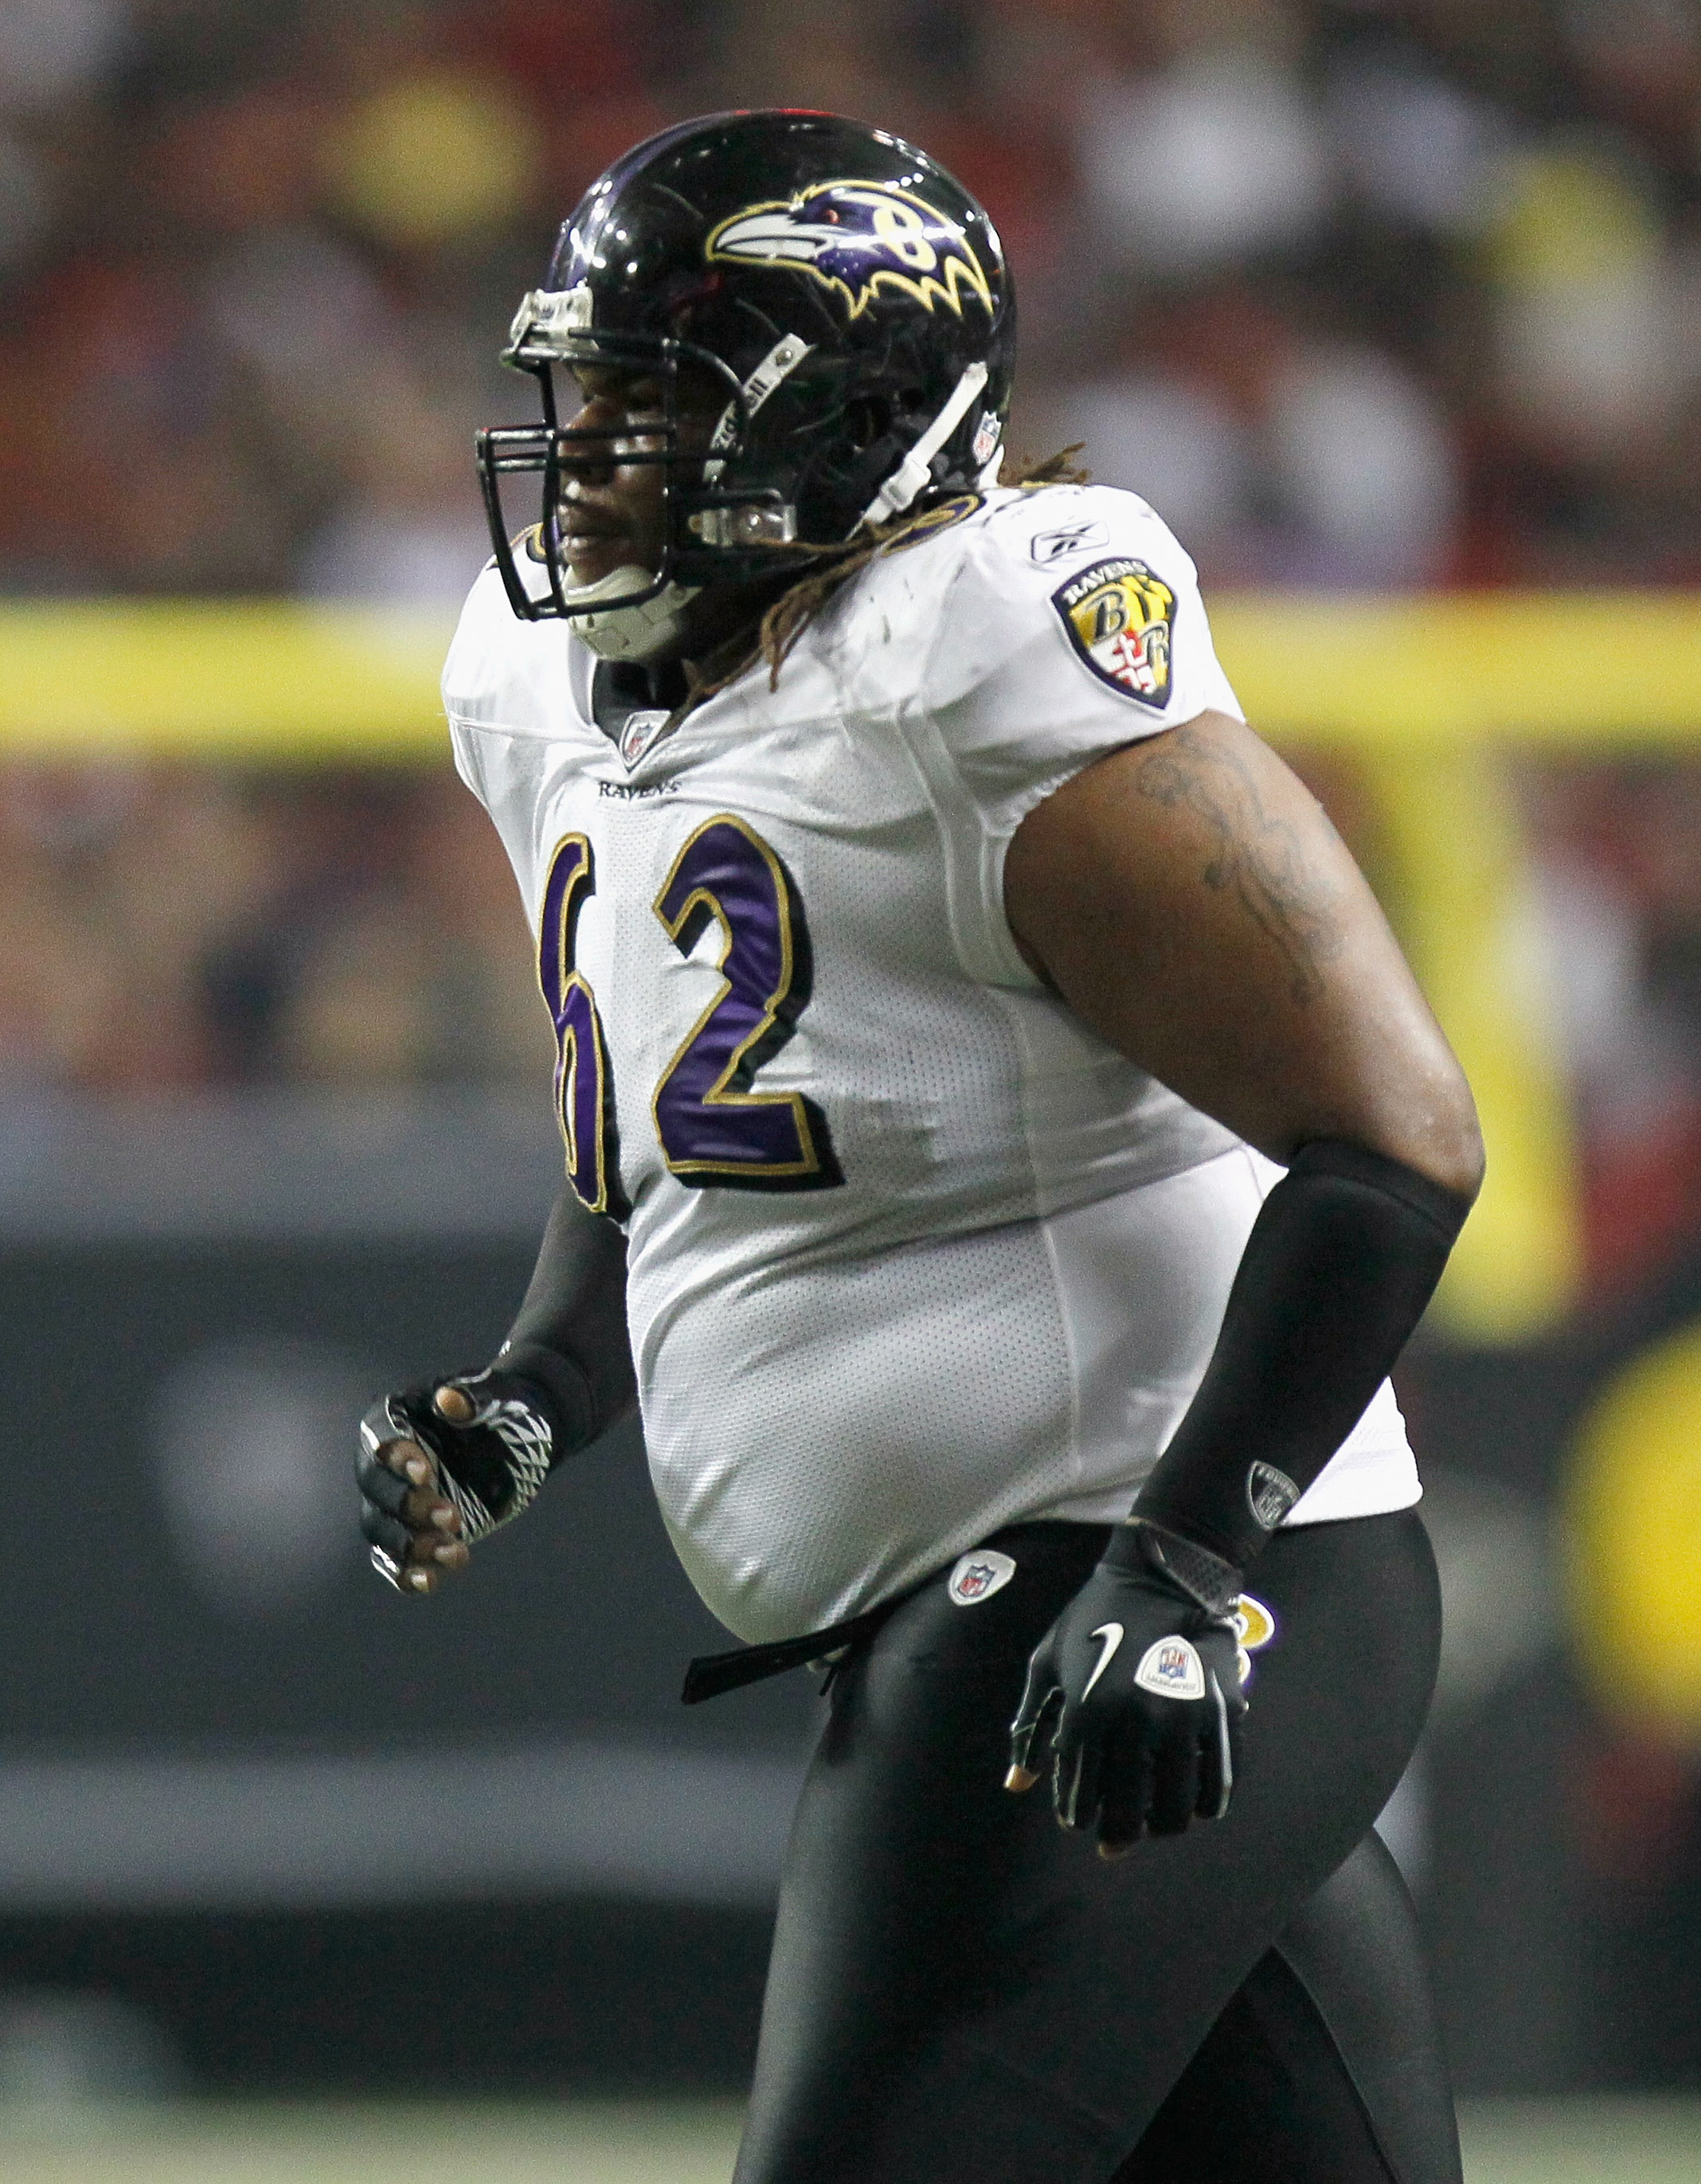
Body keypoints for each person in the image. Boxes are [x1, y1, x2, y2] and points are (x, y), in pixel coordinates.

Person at [356, 111, 1483, 2184]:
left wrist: (1178, 1563)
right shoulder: (544, 681)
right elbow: (682, 1135)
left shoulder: (981, 653)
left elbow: (1389, 1143)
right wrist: (536, 1391)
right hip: (997, 1598)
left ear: (857, 419)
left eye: (654, 407)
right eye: (576, 400)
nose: (586, 457)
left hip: (1149, 1568)